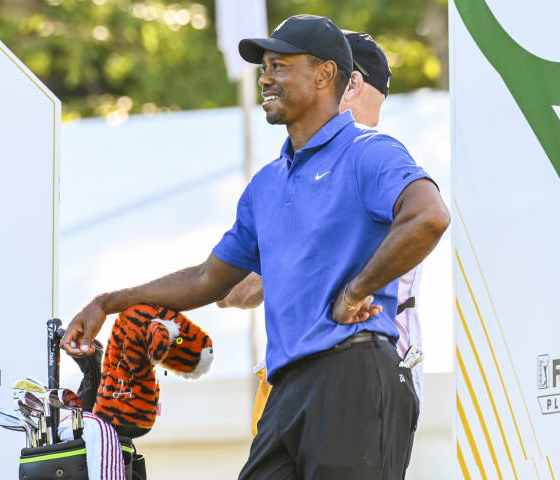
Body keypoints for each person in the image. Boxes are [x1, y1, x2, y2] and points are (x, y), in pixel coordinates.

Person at [61, 14, 449, 479]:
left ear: (325, 74)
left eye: (280, 65)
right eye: (264, 67)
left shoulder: (370, 150)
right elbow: (210, 280)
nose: (265, 77)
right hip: (287, 386)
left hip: (355, 369)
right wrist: (109, 302)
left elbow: (429, 215)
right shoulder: (265, 184)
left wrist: (355, 290)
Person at [218, 30, 430, 437]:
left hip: (364, 371)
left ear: (346, 80)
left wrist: (227, 276)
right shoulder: (338, 159)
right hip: (331, 373)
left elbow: (242, 289)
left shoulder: (369, 156)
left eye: (312, 68)